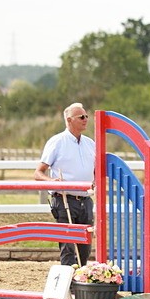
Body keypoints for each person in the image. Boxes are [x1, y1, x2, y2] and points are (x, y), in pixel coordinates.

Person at [34, 103, 96, 266]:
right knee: (68, 246)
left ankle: (82, 281)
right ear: (69, 120)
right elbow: (38, 172)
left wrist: (95, 180)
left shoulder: (90, 143)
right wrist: (52, 181)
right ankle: (68, 283)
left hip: (86, 200)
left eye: (86, 116)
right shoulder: (57, 142)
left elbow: (95, 169)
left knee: (85, 247)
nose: (86, 120)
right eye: (81, 117)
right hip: (64, 200)